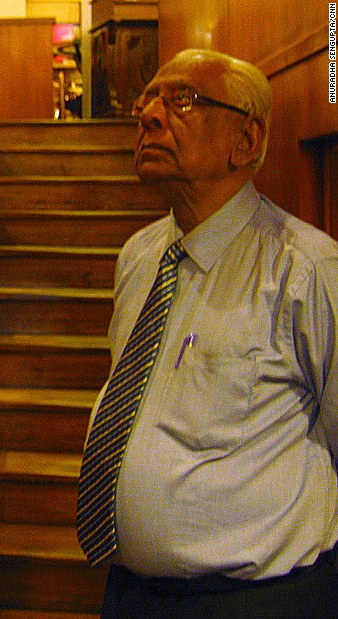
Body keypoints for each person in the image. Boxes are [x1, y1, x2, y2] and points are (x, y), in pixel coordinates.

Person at [76, 48, 338, 619]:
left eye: (183, 100)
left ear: (246, 142)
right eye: (148, 99)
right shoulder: (140, 256)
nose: (148, 114)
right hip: (131, 594)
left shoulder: (308, 270)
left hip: (257, 600)